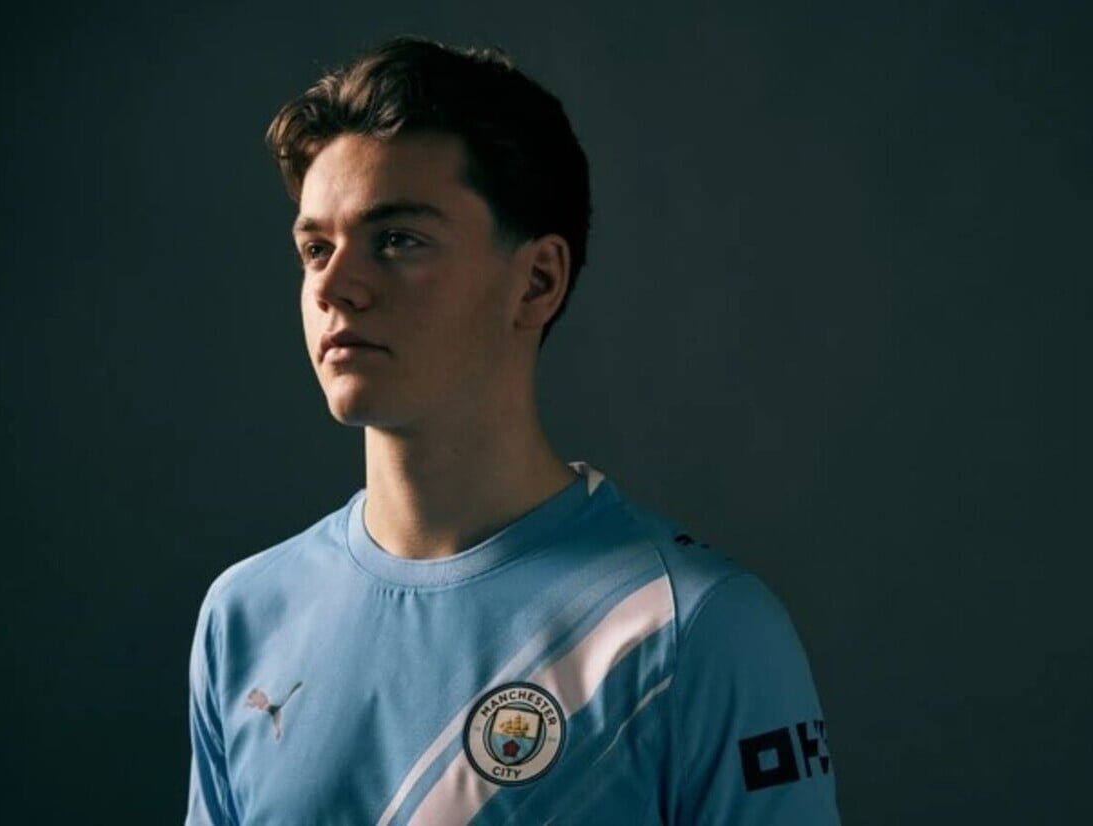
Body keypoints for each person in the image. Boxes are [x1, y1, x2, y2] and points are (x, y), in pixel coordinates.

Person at [186, 34, 840, 825]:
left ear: (537, 280)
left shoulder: (694, 628)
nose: (333, 284)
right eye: (315, 247)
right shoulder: (245, 616)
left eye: (397, 240)